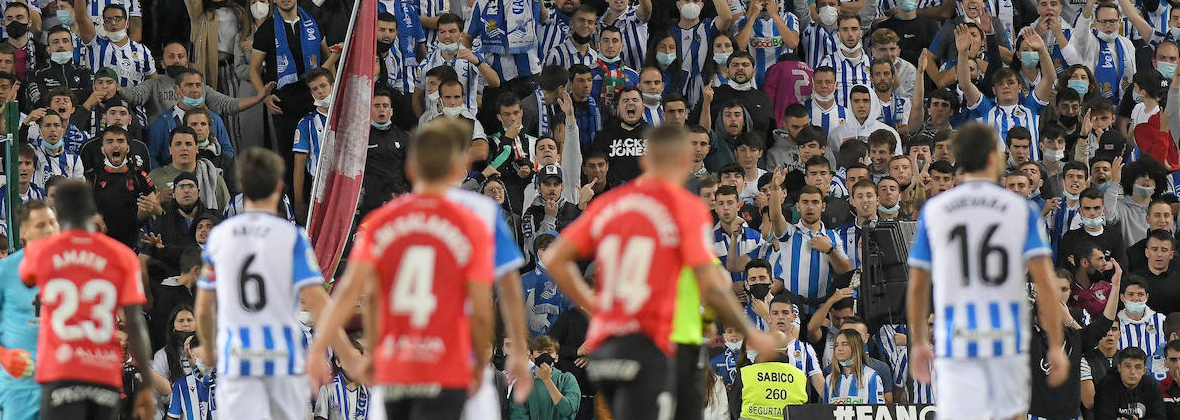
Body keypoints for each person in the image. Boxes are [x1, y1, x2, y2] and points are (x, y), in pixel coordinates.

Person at [540, 123, 777, 420]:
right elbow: (711, 285)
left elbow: (555, 259)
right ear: (684, 161)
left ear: (644, 159)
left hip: (611, 347)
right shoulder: (682, 207)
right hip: (664, 345)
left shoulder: (610, 204)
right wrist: (752, 332)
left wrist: (596, 308)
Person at [306, 118, 495, 420]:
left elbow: (358, 295)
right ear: (454, 168)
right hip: (443, 363)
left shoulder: (381, 223)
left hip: (397, 366)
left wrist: (321, 350)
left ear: (409, 170)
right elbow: (482, 306)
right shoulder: (467, 225)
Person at [907, 122, 1069, 419]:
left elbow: (917, 285)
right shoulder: (1020, 209)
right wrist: (1056, 345)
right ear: (995, 159)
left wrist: (918, 341)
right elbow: (1046, 283)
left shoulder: (936, 210)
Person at [195, 147, 353, 418]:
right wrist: (345, 354)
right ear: (279, 186)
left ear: (241, 185)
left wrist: (209, 349)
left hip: (237, 362)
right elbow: (318, 302)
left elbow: (204, 308)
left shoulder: (220, 237)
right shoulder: (292, 236)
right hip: (282, 361)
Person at [19, 179, 166, 420]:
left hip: (59, 373)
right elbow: (135, 324)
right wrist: (147, 384)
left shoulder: (39, 253)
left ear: (59, 213)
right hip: (103, 374)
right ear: (92, 210)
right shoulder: (122, 256)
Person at [0, 200, 60, 420]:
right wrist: (1, 353)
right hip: (19, 388)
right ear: (24, 232)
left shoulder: (70, 268)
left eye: (52, 223)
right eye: (41, 225)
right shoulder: (4, 271)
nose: (49, 229)